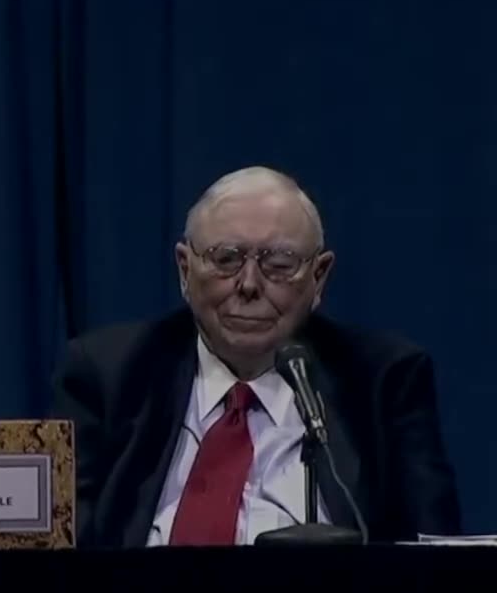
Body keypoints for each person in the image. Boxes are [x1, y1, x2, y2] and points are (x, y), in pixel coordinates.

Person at [52, 166, 460, 547]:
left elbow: (438, 559)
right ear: (185, 269)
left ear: (319, 277)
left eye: (279, 264)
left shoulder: (382, 380)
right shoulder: (108, 373)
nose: (248, 285)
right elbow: (56, 545)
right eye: (226, 259)